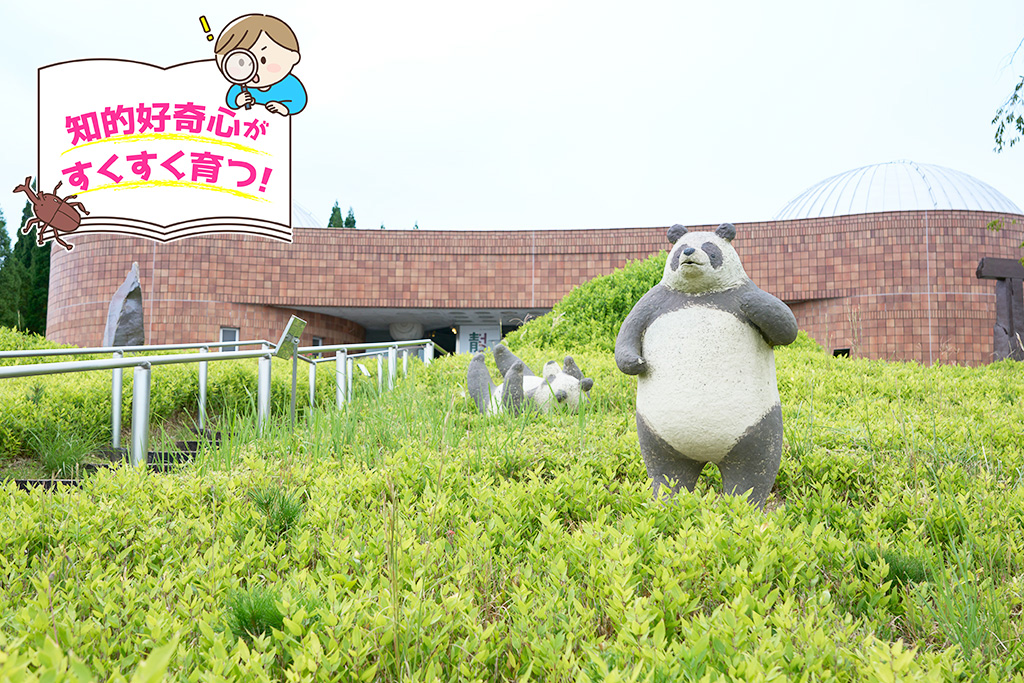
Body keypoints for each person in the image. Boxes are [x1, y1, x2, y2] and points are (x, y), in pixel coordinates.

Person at [214, 14, 307, 116]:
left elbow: (299, 102)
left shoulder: (290, 84)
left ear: (292, 57)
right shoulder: (241, 86)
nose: (253, 68)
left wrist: (284, 108)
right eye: (241, 62)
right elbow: (231, 99)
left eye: (263, 60)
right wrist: (238, 100)